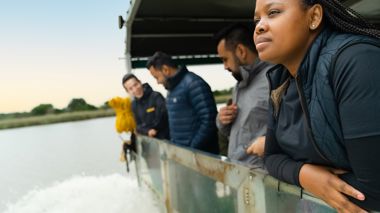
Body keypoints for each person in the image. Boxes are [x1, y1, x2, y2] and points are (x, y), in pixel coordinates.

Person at [254, 0, 380, 211]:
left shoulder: (356, 61)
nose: (259, 26)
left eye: (273, 12)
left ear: (314, 17)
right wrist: (305, 175)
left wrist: (310, 179)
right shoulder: (281, 81)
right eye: (257, 19)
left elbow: (375, 190)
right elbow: (271, 156)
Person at [214, 24, 274, 168]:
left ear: (241, 51)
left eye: (225, 59)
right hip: (241, 173)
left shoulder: (275, 79)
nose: (225, 67)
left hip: (263, 178)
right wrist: (222, 121)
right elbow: (235, 132)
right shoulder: (239, 86)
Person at [146, 51, 219, 154]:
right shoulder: (170, 91)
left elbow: (209, 120)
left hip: (200, 156)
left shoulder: (194, 84)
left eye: (156, 77)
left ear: (166, 70)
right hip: (183, 155)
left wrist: (192, 148)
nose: (157, 82)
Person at [122, 73, 170, 140]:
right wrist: (147, 131)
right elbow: (138, 126)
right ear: (128, 91)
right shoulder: (133, 105)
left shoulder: (156, 96)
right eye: (131, 88)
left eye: (136, 84)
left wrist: (153, 129)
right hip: (150, 142)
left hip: (166, 139)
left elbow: (164, 115)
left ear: (140, 82)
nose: (135, 89)